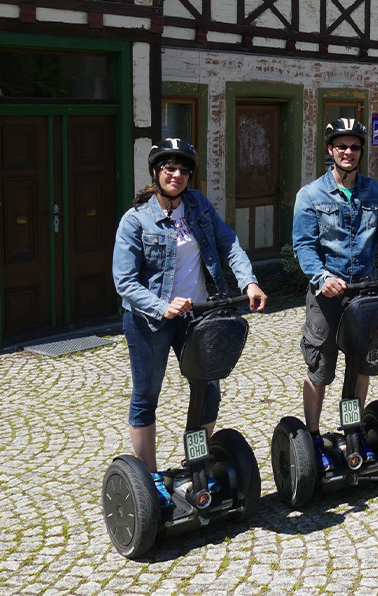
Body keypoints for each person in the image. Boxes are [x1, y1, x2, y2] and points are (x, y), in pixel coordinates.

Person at [113, 138, 267, 507]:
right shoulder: (136, 220)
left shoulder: (197, 206)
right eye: (169, 168)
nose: (176, 174)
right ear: (156, 172)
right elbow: (124, 281)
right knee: (146, 396)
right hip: (149, 321)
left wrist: (248, 279)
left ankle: (195, 462)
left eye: (183, 169)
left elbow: (228, 242)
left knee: (207, 389)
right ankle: (150, 480)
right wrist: (161, 305)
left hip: (197, 315)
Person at [292, 118, 378, 471]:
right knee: (320, 367)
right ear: (330, 150)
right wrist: (321, 276)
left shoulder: (375, 192)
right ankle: (313, 436)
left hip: (365, 291)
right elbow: (304, 245)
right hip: (327, 294)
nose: (348, 152)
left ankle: (352, 427)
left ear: (362, 151)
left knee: (361, 365)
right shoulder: (311, 195)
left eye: (354, 147)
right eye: (341, 146)